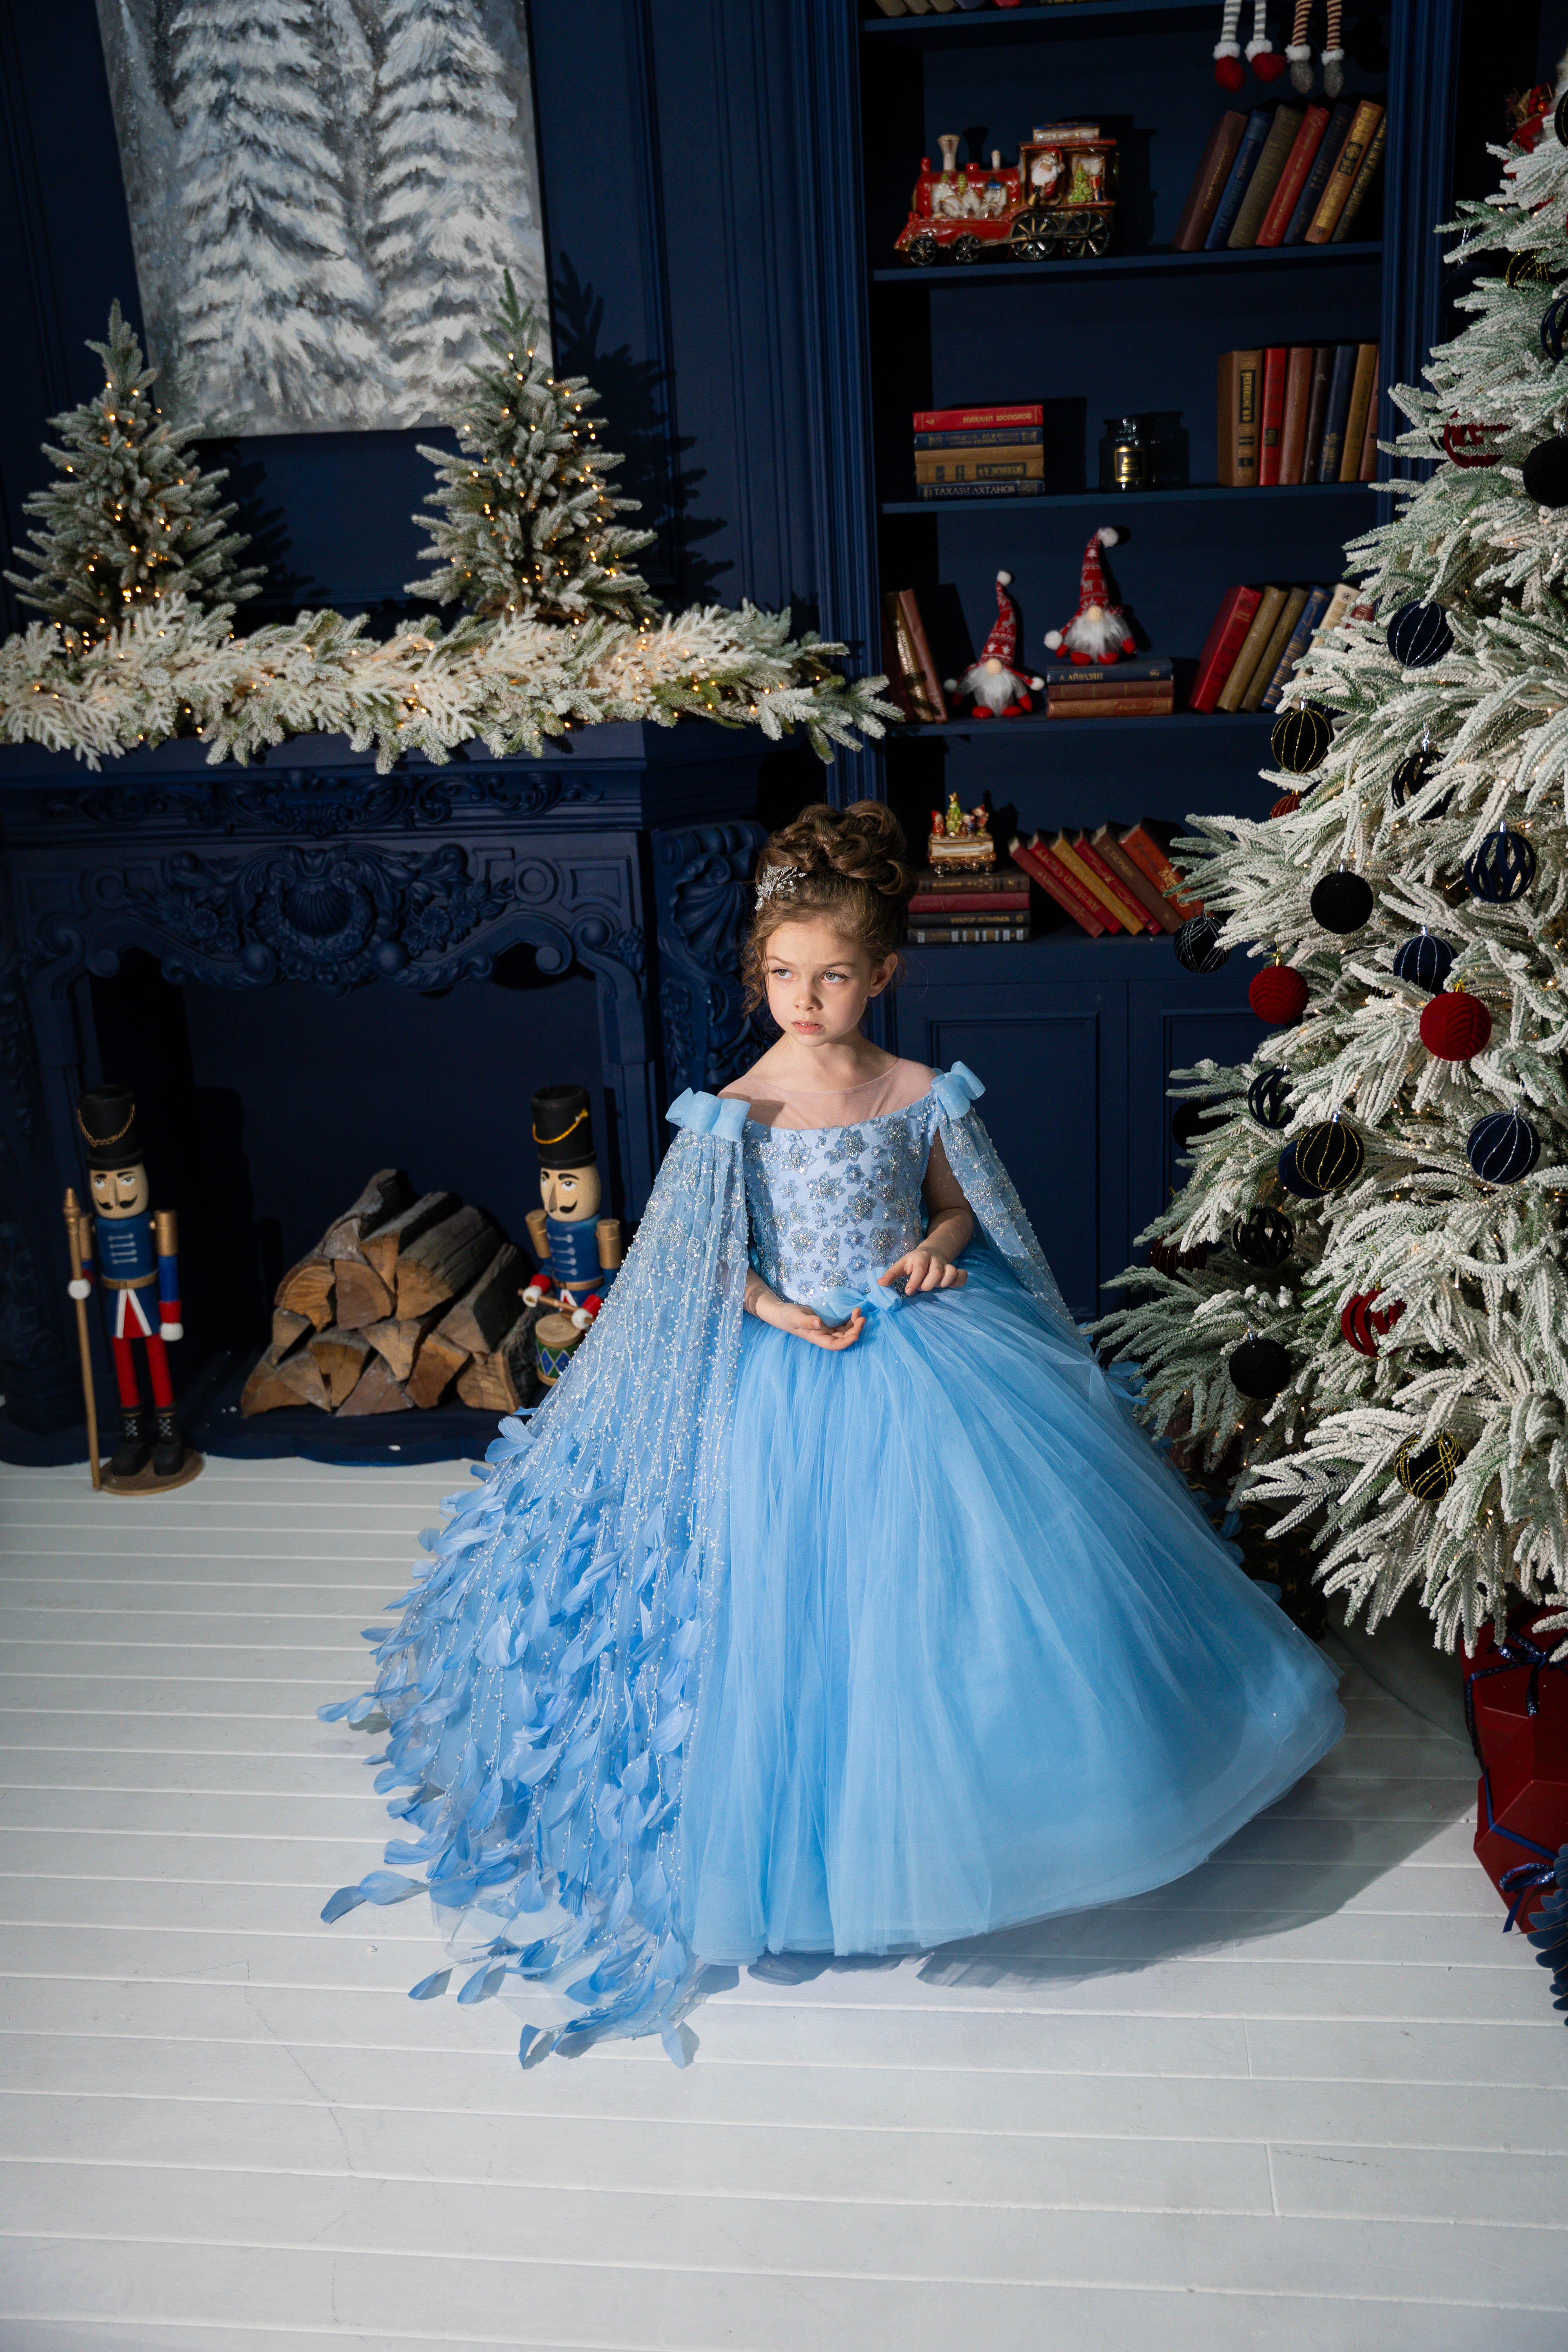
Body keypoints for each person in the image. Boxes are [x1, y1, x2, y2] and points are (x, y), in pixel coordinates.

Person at [321, 802, 1342, 2064]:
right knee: (792, 1604)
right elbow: (703, 1260)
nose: (805, 1001)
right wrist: (775, 1311)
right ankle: (815, 1843)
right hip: (787, 1368)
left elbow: (959, 1212)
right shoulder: (735, 1111)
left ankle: (1017, 1805)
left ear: (883, 975)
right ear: (761, 974)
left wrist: (933, 1252)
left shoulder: (917, 1094)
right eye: (783, 975)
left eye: (834, 977)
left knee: (965, 1580)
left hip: (922, 1349)